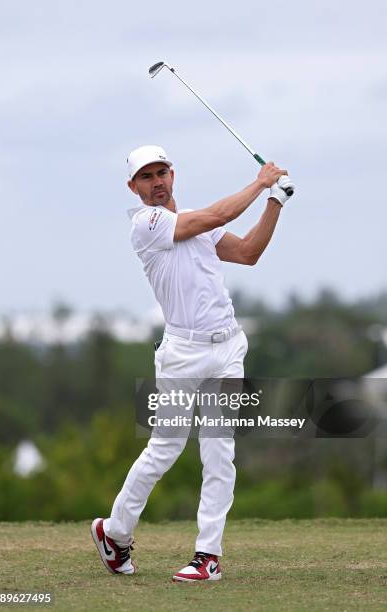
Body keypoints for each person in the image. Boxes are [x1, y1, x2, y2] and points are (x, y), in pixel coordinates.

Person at [91, 145, 295, 582]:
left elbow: (247, 253)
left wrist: (275, 200)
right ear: (134, 187)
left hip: (227, 346)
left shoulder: (197, 224)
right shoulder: (147, 225)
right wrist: (260, 183)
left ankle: (208, 556)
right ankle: (114, 531)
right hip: (182, 353)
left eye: (161, 172)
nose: (156, 182)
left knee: (220, 453)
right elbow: (215, 217)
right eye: (146, 177)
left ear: (172, 174)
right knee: (165, 448)